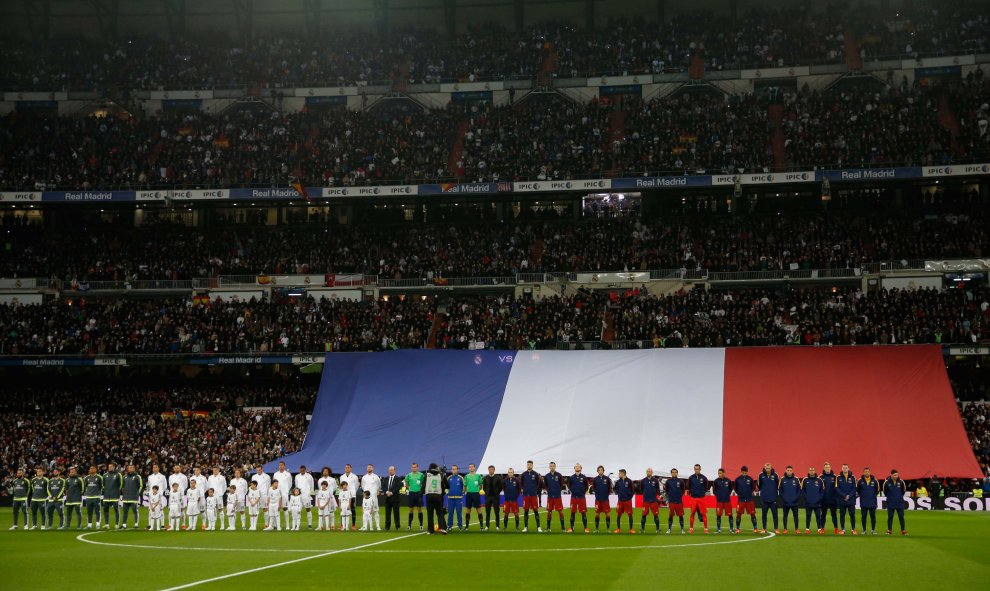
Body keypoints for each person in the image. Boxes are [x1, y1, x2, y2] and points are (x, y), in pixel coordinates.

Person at [423, 463, 447, 535]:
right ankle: (441, 528)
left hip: (429, 496)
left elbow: (423, 485)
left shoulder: (427, 475)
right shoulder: (440, 475)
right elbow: (443, 486)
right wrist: (442, 493)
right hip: (438, 496)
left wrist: (420, 496)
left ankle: (430, 530)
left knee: (430, 514)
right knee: (439, 513)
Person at [733, 466, 757, 533]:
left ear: (747, 471)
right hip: (741, 500)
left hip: (749, 499)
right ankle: (738, 529)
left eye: (745, 472)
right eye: (743, 471)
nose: (744, 473)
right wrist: (740, 494)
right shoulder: (737, 479)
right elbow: (735, 488)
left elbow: (753, 488)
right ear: (741, 471)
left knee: (752, 514)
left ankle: (755, 528)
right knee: (738, 514)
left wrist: (749, 493)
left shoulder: (750, 479)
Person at [801, 467, 825, 534]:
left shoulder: (819, 480)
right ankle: (807, 529)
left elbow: (822, 491)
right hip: (808, 502)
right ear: (808, 471)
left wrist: (819, 498)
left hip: (817, 502)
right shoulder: (805, 480)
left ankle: (819, 529)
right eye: (810, 470)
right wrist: (806, 498)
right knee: (808, 516)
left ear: (815, 471)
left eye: (813, 470)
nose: (812, 471)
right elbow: (802, 491)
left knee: (818, 516)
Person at [757, 463, 780, 533]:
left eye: (769, 468)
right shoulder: (760, 475)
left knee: (775, 514)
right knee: (764, 514)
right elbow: (759, 486)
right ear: (764, 468)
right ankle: (764, 529)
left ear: (771, 468)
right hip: (764, 499)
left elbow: (777, 485)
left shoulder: (776, 475)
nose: (768, 469)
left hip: (773, 499)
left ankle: (776, 528)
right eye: (766, 468)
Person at [884, 469, 908, 535]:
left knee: (901, 517)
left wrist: (898, 497)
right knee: (890, 517)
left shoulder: (901, 482)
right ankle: (889, 530)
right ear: (891, 475)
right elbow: (885, 491)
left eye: (897, 475)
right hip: (890, 503)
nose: (896, 476)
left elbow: (903, 491)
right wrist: (890, 497)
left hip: (899, 503)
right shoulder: (887, 482)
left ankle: (903, 530)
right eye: (894, 475)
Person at [687, 464, 710, 533]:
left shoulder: (704, 478)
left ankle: (705, 529)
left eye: (698, 469)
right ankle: (691, 529)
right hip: (693, 498)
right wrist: (693, 492)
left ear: (700, 469)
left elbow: (706, 487)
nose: (697, 470)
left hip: (701, 498)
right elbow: (689, 486)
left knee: (703, 514)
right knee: (692, 513)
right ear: (694, 469)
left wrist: (701, 492)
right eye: (695, 469)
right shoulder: (691, 477)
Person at [521, 460, 542, 532]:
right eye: (528, 464)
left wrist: (533, 490)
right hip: (526, 495)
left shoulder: (535, 474)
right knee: (526, 511)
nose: (529, 465)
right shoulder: (523, 474)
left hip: (533, 495)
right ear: (527, 465)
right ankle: (526, 527)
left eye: (530, 464)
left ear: (532, 465)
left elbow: (538, 483)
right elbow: (521, 484)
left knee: (536, 511)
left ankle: (538, 527)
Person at [568, 464, 590, 533]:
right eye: (576, 466)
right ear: (574, 468)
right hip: (574, 497)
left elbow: (586, 486)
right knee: (572, 512)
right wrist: (574, 491)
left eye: (579, 466)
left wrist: (582, 492)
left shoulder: (584, 477)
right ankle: (571, 528)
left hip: (581, 497)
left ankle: (585, 528)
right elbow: (569, 486)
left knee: (583, 513)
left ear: (581, 468)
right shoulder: (571, 477)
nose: (577, 467)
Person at [544, 462, 566, 532]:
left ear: (555, 467)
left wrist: (557, 491)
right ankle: (548, 528)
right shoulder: (546, 476)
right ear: (549, 467)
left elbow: (561, 484)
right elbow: (546, 485)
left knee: (560, 511)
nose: (552, 467)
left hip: (557, 496)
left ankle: (563, 528)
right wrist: (550, 491)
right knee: (549, 512)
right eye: (551, 466)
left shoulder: (559, 475)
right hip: (550, 497)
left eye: (553, 466)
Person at [857, 467, 880, 535]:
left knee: (873, 516)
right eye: (865, 472)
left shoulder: (875, 481)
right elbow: (858, 490)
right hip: (863, 502)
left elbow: (877, 491)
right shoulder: (860, 481)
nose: (867, 473)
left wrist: (872, 496)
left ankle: (873, 530)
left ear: (870, 472)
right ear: (863, 473)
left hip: (872, 502)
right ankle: (864, 530)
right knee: (864, 517)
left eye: (868, 471)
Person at [779, 466, 801, 534]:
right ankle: (785, 529)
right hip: (786, 502)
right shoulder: (782, 479)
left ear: (792, 471)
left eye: (790, 470)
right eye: (788, 470)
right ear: (786, 471)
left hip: (795, 502)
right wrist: (784, 499)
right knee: (785, 516)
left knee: (796, 516)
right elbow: (780, 490)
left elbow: (799, 490)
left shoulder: (796, 479)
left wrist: (796, 498)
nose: (789, 471)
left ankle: (797, 529)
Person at [836, 464, 857, 535]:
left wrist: (849, 496)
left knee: (852, 515)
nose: (845, 469)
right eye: (843, 468)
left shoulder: (853, 477)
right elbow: (837, 488)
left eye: (846, 468)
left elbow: (854, 488)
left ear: (848, 468)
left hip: (851, 500)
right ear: (842, 469)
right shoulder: (838, 477)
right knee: (842, 515)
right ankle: (843, 530)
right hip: (842, 499)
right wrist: (844, 495)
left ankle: (853, 529)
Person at [664, 468, 686, 534]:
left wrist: (678, 496)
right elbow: (666, 490)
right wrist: (670, 496)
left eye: (675, 472)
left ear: (677, 473)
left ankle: (682, 529)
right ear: (671, 473)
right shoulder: (668, 481)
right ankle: (669, 529)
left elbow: (683, 490)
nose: (674, 473)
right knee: (670, 515)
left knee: (680, 516)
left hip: (679, 502)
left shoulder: (681, 481)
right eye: (673, 472)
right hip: (671, 502)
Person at [404, 462, 425, 531]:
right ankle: (409, 525)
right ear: (411, 468)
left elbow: (423, 483)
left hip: (418, 493)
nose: (414, 468)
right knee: (411, 510)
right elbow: (406, 484)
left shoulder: (421, 475)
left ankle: (421, 525)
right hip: (411, 493)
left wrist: (420, 489)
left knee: (419, 509)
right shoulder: (408, 475)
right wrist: (410, 488)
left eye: (415, 467)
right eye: (413, 467)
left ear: (417, 467)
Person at [122, 464, 143, 529]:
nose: (130, 469)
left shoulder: (137, 476)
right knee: (125, 511)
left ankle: (136, 524)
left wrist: (137, 494)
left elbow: (141, 486)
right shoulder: (124, 476)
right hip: (126, 498)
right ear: (127, 469)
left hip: (133, 498)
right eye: (129, 468)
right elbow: (123, 486)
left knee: (135, 511)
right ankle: (124, 525)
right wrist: (124, 494)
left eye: (131, 468)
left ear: (134, 469)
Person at [820, 461, 839, 534]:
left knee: (834, 515)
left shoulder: (835, 477)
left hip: (833, 500)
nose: (827, 468)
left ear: (830, 468)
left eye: (828, 467)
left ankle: (836, 528)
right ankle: (822, 528)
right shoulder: (820, 477)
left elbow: (837, 489)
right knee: (823, 515)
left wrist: (836, 498)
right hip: (823, 500)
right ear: (824, 468)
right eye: (826, 467)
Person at [361, 464, 381, 531]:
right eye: (368, 467)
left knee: (375, 511)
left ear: (373, 468)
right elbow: (363, 486)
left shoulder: (376, 477)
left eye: (370, 467)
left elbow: (379, 486)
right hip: (366, 497)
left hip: (373, 497)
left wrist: (376, 492)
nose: (369, 468)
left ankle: (378, 526)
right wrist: (366, 494)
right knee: (365, 512)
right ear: (367, 469)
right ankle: (364, 526)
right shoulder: (364, 477)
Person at [382, 465, 403, 531]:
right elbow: (383, 487)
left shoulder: (398, 478)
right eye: (389, 470)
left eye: (391, 470)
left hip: (395, 498)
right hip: (387, 498)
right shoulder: (385, 479)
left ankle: (398, 526)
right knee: (387, 513)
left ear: (394, 470)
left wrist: (391, 492)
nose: (390, 471)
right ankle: (387, 527)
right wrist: (386, 492)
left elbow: (398, 487)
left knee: (396, 513)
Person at [482, 465, 502, 531]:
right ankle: (487, 526)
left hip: (495, 497)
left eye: (492, 469)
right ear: (488, 470)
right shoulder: (485, 478)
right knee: (487, 512)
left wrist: (496, 493)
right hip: (488, 497)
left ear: (494, 470)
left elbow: (500, 487)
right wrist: (487, 493)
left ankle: (497, 526)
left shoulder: (498, 478)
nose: (491, 470)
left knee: (497, 512)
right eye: (490, 469)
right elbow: (484, 487)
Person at [294, 465, 315, 530]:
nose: (302, 471)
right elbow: (296, 486)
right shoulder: (297, 476)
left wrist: (309, 493)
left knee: (308, 509)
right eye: (301, 470)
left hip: (306, 496)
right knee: (298, 510)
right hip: (299, 496)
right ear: (299, 470)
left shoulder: (309, 476)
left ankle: (310, 524)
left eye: (303, 470)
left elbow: (312, 485)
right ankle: (298, 525)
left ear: (305, 469)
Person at [712, 468, 733, 534]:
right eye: (718, 473)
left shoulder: (728, 480)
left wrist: (726, 495)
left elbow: (730, 489)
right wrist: (719, 496)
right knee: (718, 515)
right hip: (719, 501)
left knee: (730, 515)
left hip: (727, 501)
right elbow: (714, 491)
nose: (719, 474)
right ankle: (718, 529)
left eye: (720, 473)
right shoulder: (716, 481)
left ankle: (731, 529)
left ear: (724, 473)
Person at [464, 464, 484, 530]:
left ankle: (481, 526)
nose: (471, 468)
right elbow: (465, 485)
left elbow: (481, 485)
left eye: (472, 467)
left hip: (476, 494)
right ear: (469, 468)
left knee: (478, 509)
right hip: (469, 494)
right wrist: (467, 491)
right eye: (470, 467)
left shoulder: (478, 476)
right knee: (468, 510)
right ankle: (466, 527)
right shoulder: (466, 476)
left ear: (474, 468)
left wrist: (477, 490)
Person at [593, 466, 613, 533]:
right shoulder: (595, 479)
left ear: (603, 471)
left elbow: (610, 488)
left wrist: (606, 495)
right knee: (597, 514)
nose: (600, 471)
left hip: (605, 500)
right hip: (598, 500)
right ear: (597, 471)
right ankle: (596, 529)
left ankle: (608, 529)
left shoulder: (607, 479)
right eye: (599, 470)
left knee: (607, 514)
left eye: (601, 470)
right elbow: (594, 488)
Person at [614, 469, 634, 533]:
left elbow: (633, 491)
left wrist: (629, 497)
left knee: (630, 515)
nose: (618, 474)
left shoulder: (629, 481)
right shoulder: (618, 482)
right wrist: (619, 494)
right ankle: (618, 529)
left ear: (623, 473)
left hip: (628, 501)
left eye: (619, 473)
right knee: (618, 515)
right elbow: (615, 489)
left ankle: (631, 529)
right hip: (620, 501)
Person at [446, 464, 465, 530]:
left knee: (459, 512)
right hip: (450, 498)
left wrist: (462, 493)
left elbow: (464, 487)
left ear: (457, 470)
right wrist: (447, 492)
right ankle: (449, 526)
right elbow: (446, 487)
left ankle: (460, 525)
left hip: (458, 498)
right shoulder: (449, 478)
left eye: (455, 469)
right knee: (450, 512)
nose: (454, 470)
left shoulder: (460, 478)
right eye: (453, 469)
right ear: (451, 470)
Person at [30, 466, 49, 530]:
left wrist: (47, 497)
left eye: (40, 471)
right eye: (37, 471)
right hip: (34, 499)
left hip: (42, 499)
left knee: (43, 513)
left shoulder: (46, 480)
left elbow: (48, 489)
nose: (38, 472)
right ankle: (34, 525)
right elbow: (33, 488)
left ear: (43, 472)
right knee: (34, 513)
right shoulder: (33, 480)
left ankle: (43, 525)